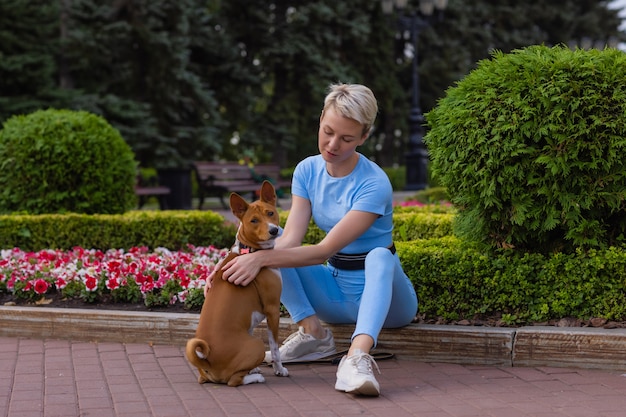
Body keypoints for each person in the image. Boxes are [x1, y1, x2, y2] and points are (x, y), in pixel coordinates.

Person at [205, 83, 418, 396]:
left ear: (364, 137)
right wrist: (231, 261)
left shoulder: (375, 183)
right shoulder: (306, 170)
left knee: (379, 256)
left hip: (389, 302)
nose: (332, 144)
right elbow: (288, 239)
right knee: (274, 251)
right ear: (320, 119)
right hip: (333, 294)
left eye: (346, 138)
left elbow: (323, 251)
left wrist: (260, 258)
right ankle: (314, 334)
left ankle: (356, 357)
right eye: (328, 131)